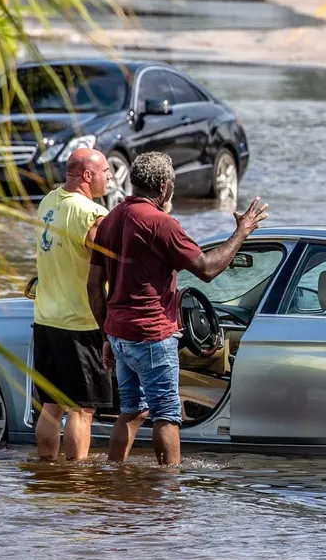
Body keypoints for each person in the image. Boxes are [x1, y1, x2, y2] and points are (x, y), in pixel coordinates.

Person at [87, 152, 268, 465]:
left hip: (119, 333)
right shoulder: (161, 223)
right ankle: (168, 490)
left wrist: (106, 334)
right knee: (167, 414)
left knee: (131, 410)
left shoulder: (111, 219)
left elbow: (93, 287)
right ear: (163, 186)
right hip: (151, 335)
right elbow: (208, 269)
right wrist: (241, 232)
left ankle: (115, 478)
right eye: (171, 184)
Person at [32, 148, 111, 461]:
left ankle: (46, 467)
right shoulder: (91, 214)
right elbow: (109, 264)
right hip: (80, 322)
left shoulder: (48, 201)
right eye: (106, 170)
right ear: (88, 176)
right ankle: (76, 479)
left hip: (45, 319)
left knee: (52, 404)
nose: (110, 176)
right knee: (81, 409)